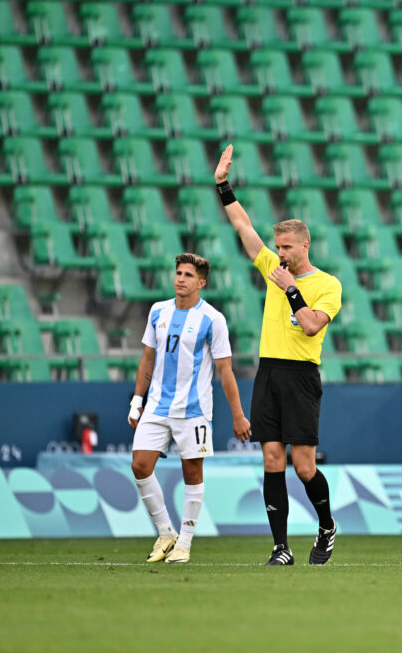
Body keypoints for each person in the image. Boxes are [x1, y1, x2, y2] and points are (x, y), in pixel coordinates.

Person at [215, 145, 343, 566]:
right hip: (269, 372)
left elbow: (309, 325)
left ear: (305, 244)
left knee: (304, 465)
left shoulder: (326, 284)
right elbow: (243, 227)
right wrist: (223, 185)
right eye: (278, 246)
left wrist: (290, 288)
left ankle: (326, 526)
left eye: (288, 246)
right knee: (272, 458)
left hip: (301, 376)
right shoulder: (271, 266)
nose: (280, 253)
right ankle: (281, 547)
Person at [128, 253, 252, 564]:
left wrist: (238, 414)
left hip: (193, 410)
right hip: (156, 406)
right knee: (140, 466)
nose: (180, 278)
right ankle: (165, 532)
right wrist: (137, 399)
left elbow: (225, 371)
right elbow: (147, 359)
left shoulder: (213, 319)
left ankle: (184, 543)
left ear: (201, 282)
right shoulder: (158, 311)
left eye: (187, 275)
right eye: (178, 273)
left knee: (192, 473)